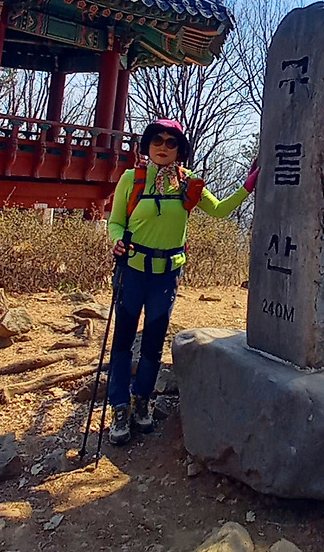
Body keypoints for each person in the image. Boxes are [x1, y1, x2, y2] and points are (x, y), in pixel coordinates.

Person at [105, 118, 259, 446]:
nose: (163, 146)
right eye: (157, 140)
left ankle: (142, 400)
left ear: (180, 149)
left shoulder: (187, 183)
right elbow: (116, 222)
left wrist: (248, 186)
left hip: (166, 275)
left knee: (153, 341)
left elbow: (219, 211)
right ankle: (119, 406)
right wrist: (117, 240)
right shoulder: (132, 179)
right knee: (123, 340)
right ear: (147, 145)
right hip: (133, 271)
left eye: (171, 142)